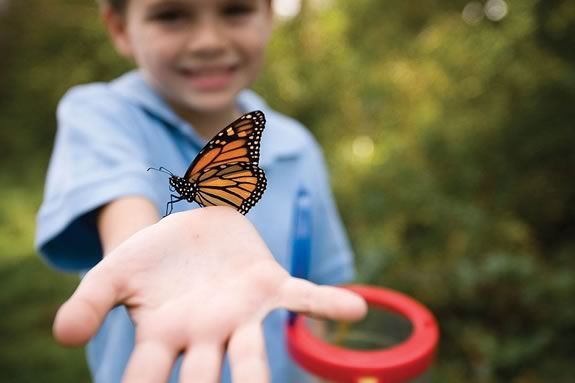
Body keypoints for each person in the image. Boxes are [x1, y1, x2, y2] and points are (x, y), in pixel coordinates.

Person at [35, 0, 367, 382]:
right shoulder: (100, 115)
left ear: (269, 16)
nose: (208, 41)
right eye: (171, 15)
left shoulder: (298, 147)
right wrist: (150, 249)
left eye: (235, 10)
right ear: (120, 29)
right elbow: (124, 208)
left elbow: (318, 289)